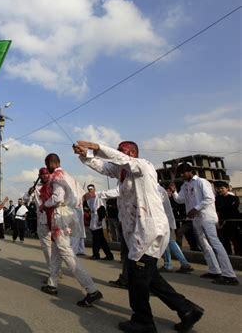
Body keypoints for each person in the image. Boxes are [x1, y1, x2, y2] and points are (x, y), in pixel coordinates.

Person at [74, 141, 203, 332]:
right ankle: (187, 310)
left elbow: (121, 160)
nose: (117, 155)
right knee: (149, 277)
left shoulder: (143, 165)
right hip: (137, 231)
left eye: (121, 151)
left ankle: (143, 321)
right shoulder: (122, 173)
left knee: (137, 276)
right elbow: (104, 167)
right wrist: (86, 155)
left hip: (148, 230)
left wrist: (97, 147)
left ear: (132, 153)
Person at [40, 153, 103, 307]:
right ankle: (52, 284)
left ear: (50, 163)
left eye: (47, 165)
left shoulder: (57, 177)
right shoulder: (68, 176)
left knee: (66, 253)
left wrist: (44, 204)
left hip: (59, 216)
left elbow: (57, 198)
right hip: (67, 215)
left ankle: (92, 289)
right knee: (56, 251)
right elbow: (82, 196)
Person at [170, 163, 239, 286]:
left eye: (183, 174)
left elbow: (209, 198)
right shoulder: (185, 185)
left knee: (214, 242)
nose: (181, 176)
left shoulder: (202, 182)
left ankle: (229, 275)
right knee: (204, 244)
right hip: (195, 219)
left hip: (206, 217)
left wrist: (196, 208)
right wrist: (174, 192)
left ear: (189, 171)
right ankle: (214, 270)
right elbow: (180, 199)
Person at [24, 167, 62, 282]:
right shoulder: (36, 189)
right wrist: (28, 192)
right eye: (43, 174)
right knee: (47, 249)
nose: (45, 176)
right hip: (42, 221)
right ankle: (53, 272)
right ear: (39, 176)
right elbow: (25, 200)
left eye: (47, 174)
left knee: (58, 248)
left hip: (55, 219)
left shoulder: (54, 185)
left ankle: (55, 272)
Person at [159, 185, 193, 274]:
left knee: (165, 242)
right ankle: (184, 263)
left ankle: (168, 264)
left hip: (162, 221)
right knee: (171, 242)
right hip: (166, 220)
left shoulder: (156, 190)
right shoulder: (160, 189)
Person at [84, 184, 113, 260]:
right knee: (101, 239)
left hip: (98, 219)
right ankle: (109, 255)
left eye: (91, 189)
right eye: (89, 189)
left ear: (94, 189)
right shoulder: (90, 199)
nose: (90, 190)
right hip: (94, 218)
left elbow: (102, 209)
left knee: (96, 238)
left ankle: (96, 254)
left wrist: (100, 220)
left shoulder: (99, 196)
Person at [215, 181, 241, 256]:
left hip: (234, 222)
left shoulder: (234, 198)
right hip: (223, 223)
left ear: (227, 188)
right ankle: (228, 255)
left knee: (236, 240)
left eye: (222, 188)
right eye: (219, 188)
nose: (220, 190)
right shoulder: (217, 199)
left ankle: (238, 255)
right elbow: (218, 210)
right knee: (225, 241)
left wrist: (223, 208)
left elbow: (234, 207)